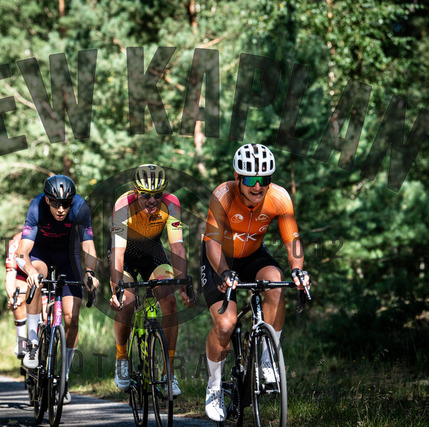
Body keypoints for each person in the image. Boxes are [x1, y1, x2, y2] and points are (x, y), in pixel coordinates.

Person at [201, 143, 311, 421]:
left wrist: (298, 271)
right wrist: (224, 272)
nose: (258, 186)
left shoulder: (279, 198)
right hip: (219, 258)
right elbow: (212, 243)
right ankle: (214, 386)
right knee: (225, 324)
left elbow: (292, 240)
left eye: (264, 179)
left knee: (275, 280)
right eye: (250, 180)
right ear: (237, 178)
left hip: (252, 255)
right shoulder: (223, 195)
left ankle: (266, 359)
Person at [109, 164, 193, 397]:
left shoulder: (171, 203)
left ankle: (168, 373)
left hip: (153, 254)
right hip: (125, 255)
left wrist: (183, 284)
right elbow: (117, 252)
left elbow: (177, 246)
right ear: (136, 192)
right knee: (126, 302)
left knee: (169, 301)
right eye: (146, 195)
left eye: (157, 194)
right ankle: (122, 357)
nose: (152, 200)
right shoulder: (123, 205)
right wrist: (116, 289)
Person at [17, 174, 99, 404]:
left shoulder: (80, 207)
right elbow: (22, 251)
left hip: (68, 257)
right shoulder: (36, 207)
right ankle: (33, 343)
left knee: (72, 318)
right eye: (55, 203)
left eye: (66, 203)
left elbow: (88, 246)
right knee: (37, 278)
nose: (61, 209)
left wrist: (90, 272)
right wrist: (30, 271)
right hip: (41, 253)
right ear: (47, 200)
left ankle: (64, 377)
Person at [5, 230, 28, 357]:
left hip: (43, 273)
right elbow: (10, 273)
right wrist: (12, 296)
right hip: (22, 274)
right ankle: (21, 340)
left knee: (48, 314)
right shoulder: (16, 241)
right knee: (18, 296)